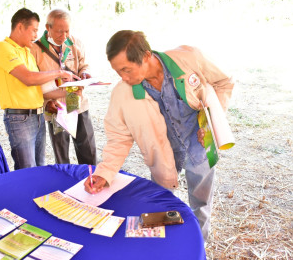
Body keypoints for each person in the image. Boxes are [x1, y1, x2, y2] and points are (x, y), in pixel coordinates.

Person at [84, 30, 234, 241]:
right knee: (162, 205)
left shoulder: (190, 59)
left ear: (146, 56)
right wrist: (104, 173)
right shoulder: (122, 93)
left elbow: (223, 82)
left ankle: (198, 245)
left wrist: (211, 122)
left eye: (127, 70)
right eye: (118, 72)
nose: (123, 78)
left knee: (201, 203)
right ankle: (168, 247)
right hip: (161, 154)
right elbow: (118, 137)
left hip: (199, 143)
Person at [0, 8, 77, 170]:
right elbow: (29, 78)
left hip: (38, 117)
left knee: (40, 167)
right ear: (20, 27)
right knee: (27, 169)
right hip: (20, 119)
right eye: (34, 30)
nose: (36, 35)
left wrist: (57, 98)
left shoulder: (27, 53)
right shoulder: (3, 48)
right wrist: (59, 72)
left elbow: (37, 86)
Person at [30, 9, 97, 165]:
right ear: (48, 27)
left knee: (88, 150)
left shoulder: (74, 42)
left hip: (77, 102)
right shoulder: (35, 50)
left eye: (67, 31)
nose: (64, 36)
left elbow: (83, 64)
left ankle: (91, 182)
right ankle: (66, 184)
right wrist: (47, 104)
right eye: (60, 32)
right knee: (62, 155)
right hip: (56, 106)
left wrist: (85, 73)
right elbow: (33, 83)